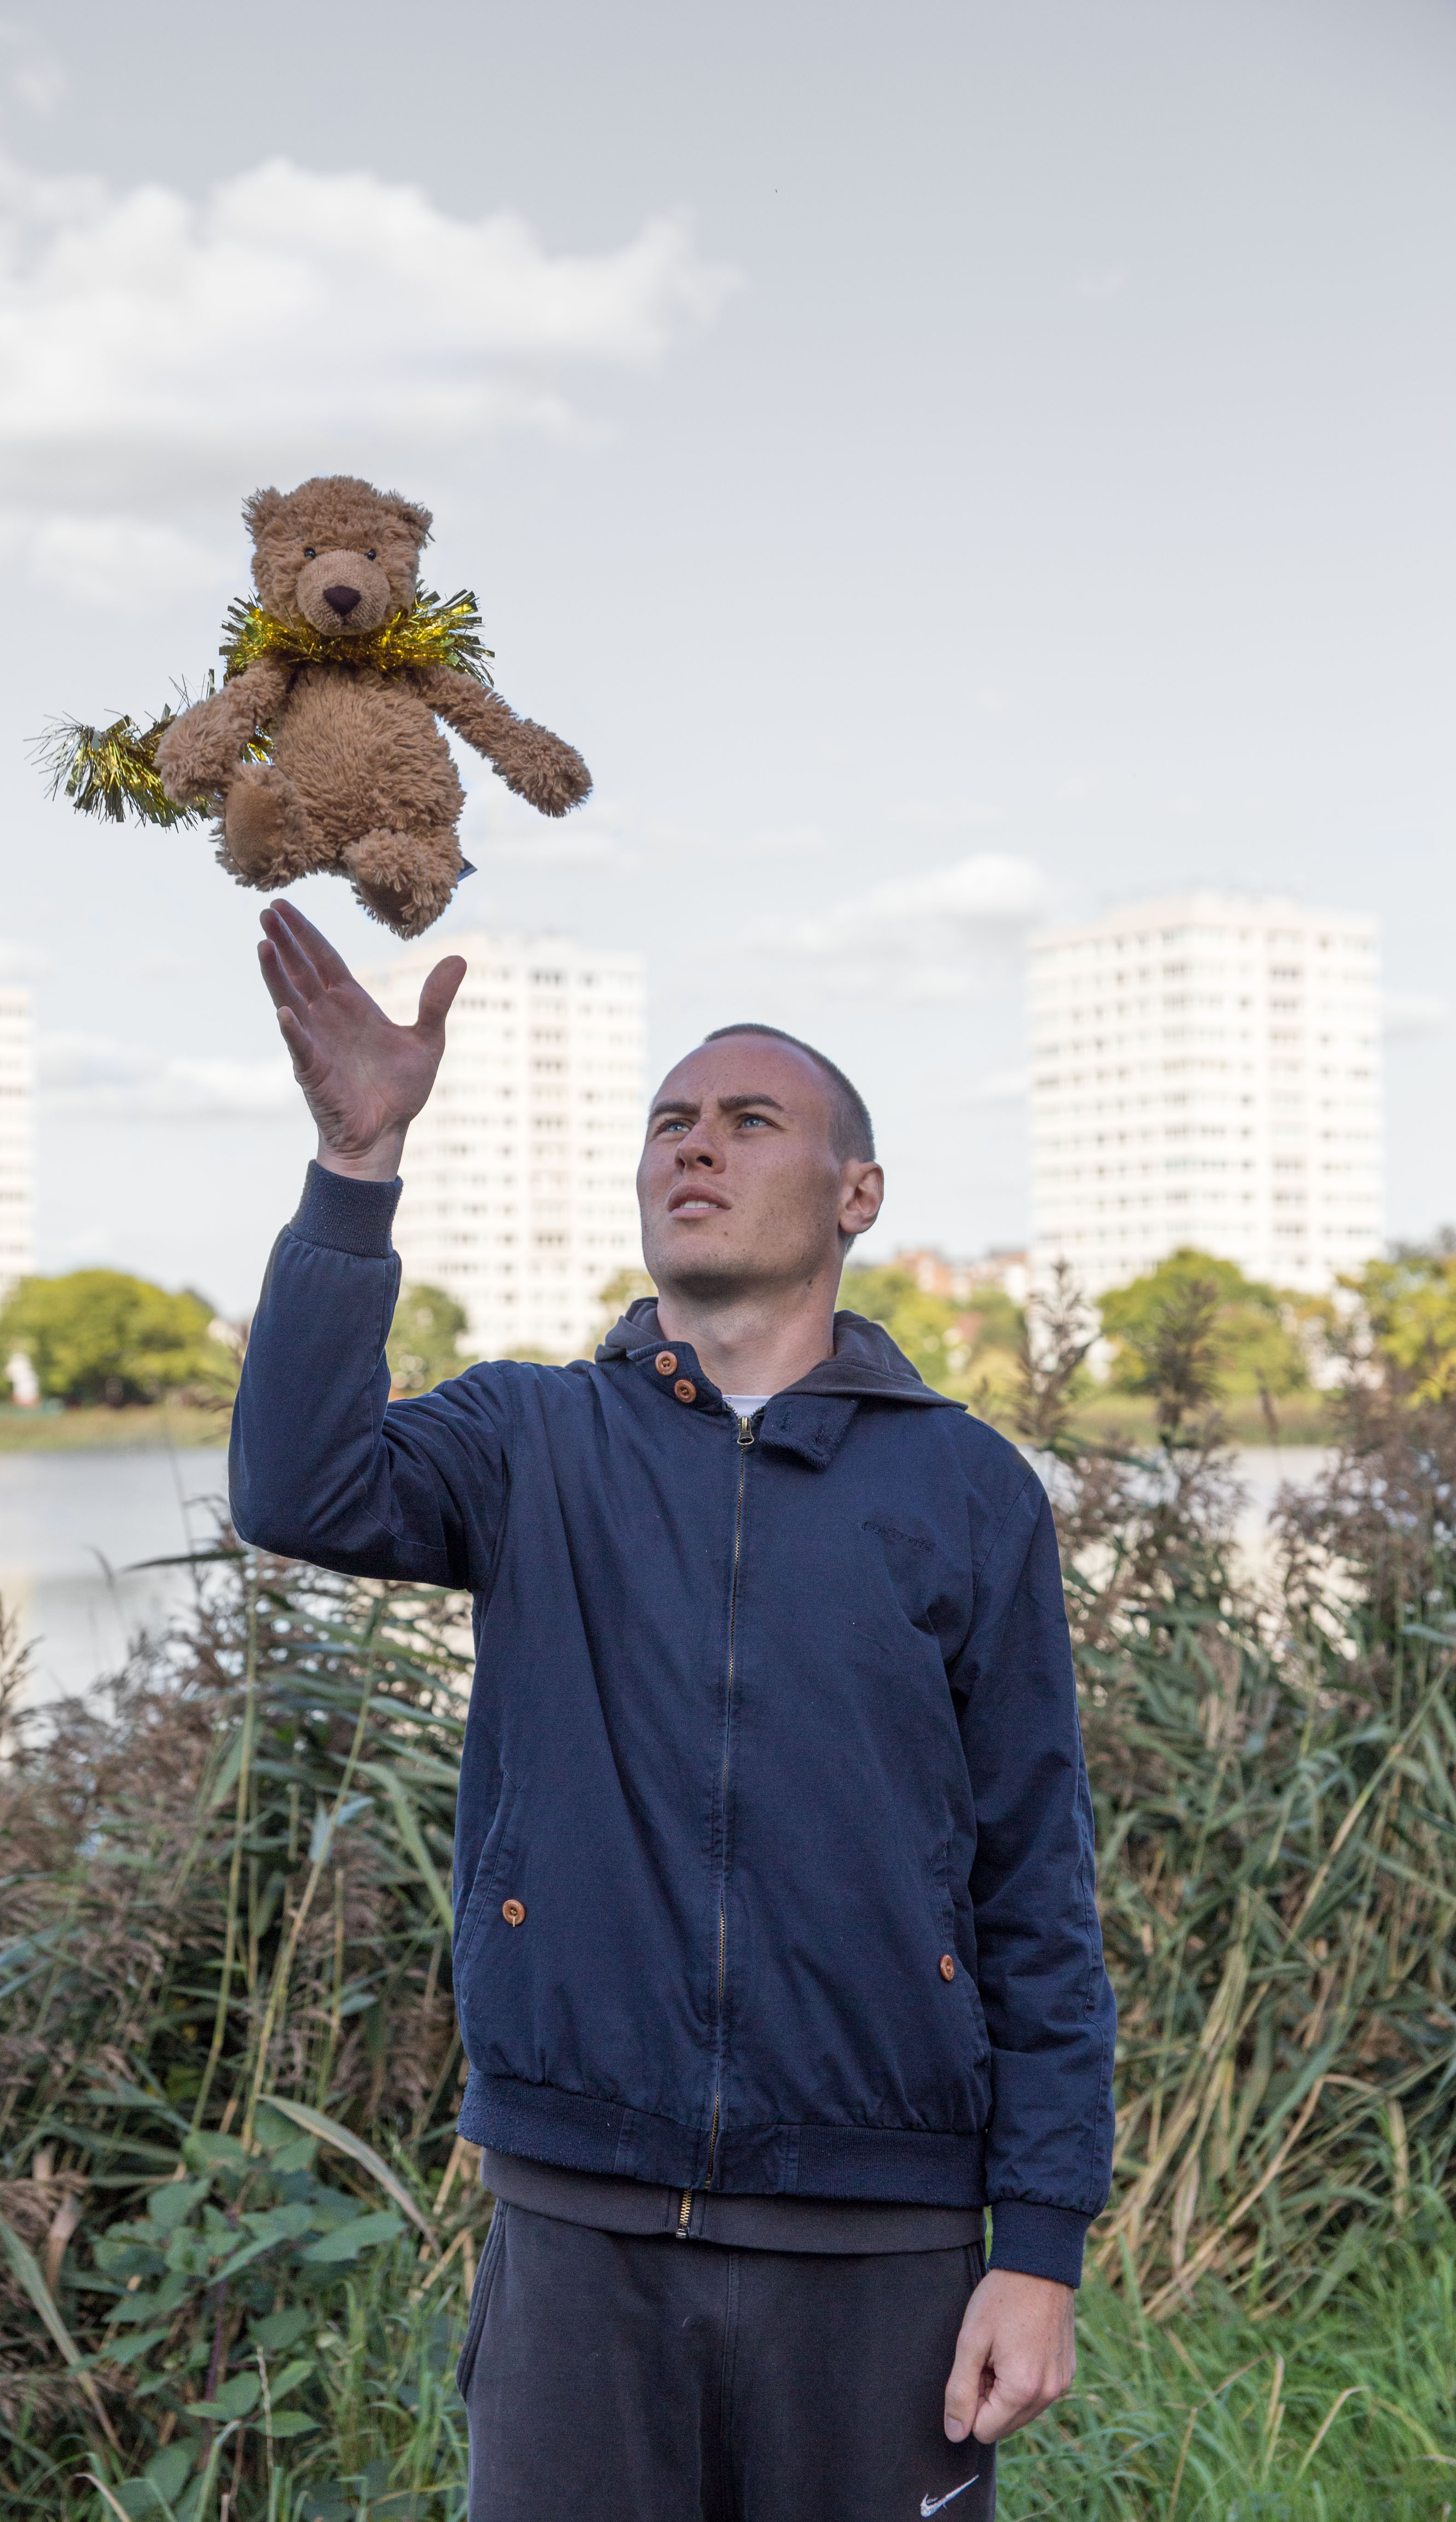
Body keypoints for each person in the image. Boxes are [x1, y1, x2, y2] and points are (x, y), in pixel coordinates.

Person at [231, 899, 1115, 2522]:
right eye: (669, 1122)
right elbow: (296, 1488)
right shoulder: (531, 1440)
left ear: (856, 1194)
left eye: (749, 1119)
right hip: (580, 2230)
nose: (693, 1144)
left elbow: (1034, 1885)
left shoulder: (966, 1487)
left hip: (884, 2240)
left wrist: (1041, 2245)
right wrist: (357, 1163)